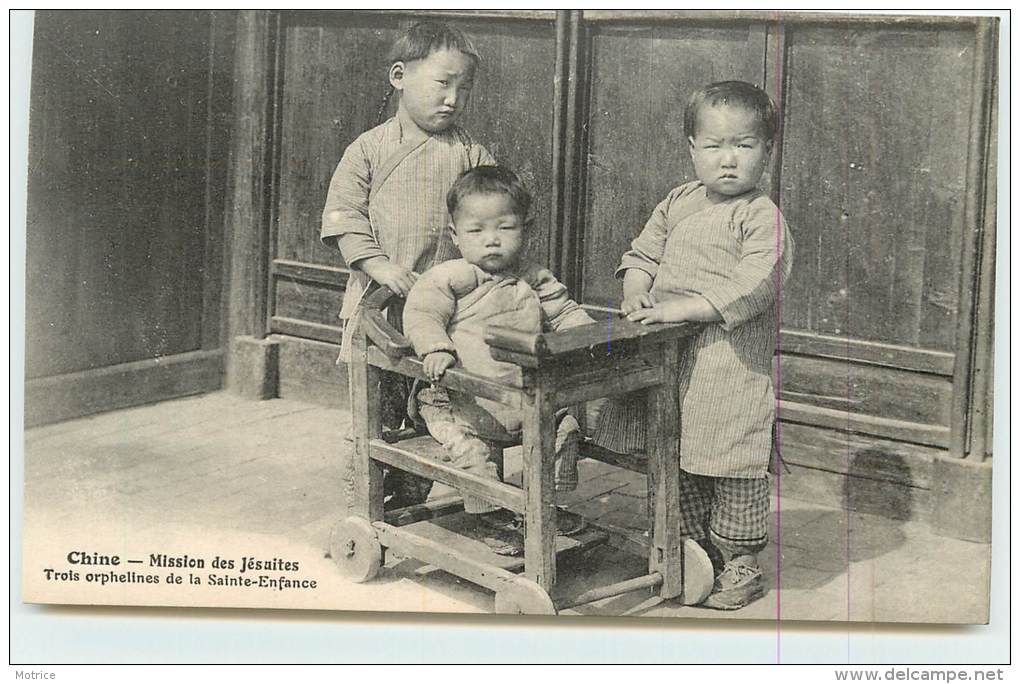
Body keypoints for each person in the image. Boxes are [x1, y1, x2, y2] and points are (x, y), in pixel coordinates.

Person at [592, 81, 794, 610]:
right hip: (669, 353)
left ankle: (741, 559)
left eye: (744, 146)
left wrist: (687, 306)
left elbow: (756, 282)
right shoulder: (679, 202)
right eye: (713, 146)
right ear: (691, 147)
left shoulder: (761, 217)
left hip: (727, 361)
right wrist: (637, 288)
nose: (728, 160)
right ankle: (691, 545)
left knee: (730, 458)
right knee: (677, 451)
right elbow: (642, 252)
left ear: (767, 151)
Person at [320, 22, 495, 509]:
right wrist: (377, 264)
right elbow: (343, 216)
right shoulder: (370, 148)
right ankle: (366, 507)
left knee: (436, 407)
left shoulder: (471, 154)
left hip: (443, 315)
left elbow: (494, 217)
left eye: (465, 87)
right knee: (375, 414)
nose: (453, 98)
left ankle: (414, 503)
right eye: (443, 82)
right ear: (399, 75)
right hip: (381, 309)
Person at [403, 166, 593, 554]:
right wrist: (436, 347)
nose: (491, 241)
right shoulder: (451, 277)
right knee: (473, 452)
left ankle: (540, 503)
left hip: (519, 397)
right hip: (457, 401)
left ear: (526, 228)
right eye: (477, 231)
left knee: (567, 426)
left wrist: (593, 339)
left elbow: (566, 313)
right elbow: (422, 314)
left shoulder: (534, 277)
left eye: (505, 228)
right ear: (455, 236)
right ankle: (488, 516)